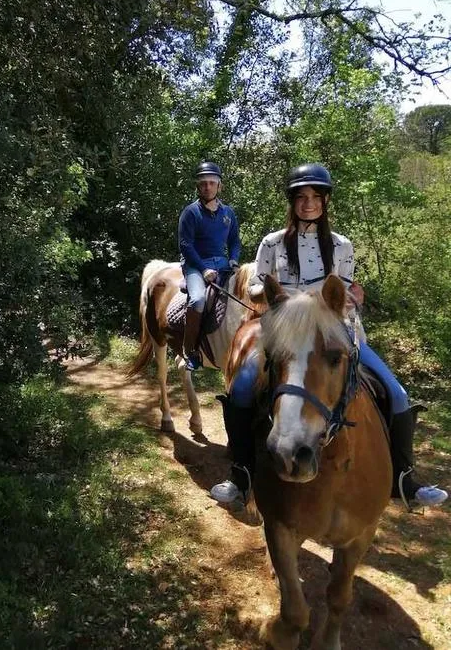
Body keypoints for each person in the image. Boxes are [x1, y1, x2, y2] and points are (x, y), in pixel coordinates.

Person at [210, 163, 448, 509]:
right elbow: (255, 286)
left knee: (396, 392)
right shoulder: (272, 242)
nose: (308, 203)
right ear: (292, 201)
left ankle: (404, 479)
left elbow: (345, 290)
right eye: (301, 197)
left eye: (316, 197)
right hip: (286, 332)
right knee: (243, 388)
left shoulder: (341, 245)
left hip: (332, 332)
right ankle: (241, 475)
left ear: (325, 201)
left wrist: (352, 296)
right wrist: (276, 293)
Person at [178, 161, 242, 371]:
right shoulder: (190, 212)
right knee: (198, 299)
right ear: (198, 186)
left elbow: (234, 241)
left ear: (219, 185)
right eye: (203, 183)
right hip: (195, 265)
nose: (208, 187)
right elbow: (185, 245)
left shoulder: (228, 213)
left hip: (222, 264)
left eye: (212, 183)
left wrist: (233, 259)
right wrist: (203, 269)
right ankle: (190, 351)